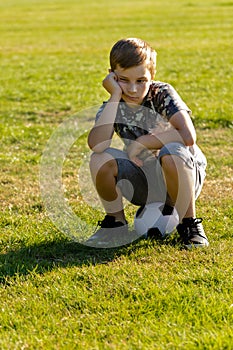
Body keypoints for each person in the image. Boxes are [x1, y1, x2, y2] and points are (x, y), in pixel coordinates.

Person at [87, 37, 209, 248]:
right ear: (112, 76)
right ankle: (115, 225)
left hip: (182, 176)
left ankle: (189, 225)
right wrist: (115, 95)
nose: (133, 89)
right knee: (100, 159)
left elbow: (188, 136)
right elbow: (97, 145)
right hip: (145, 179)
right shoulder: (114, 104)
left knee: (172, 151)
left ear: (152, 76)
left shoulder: (162, 94)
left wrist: (143, 142)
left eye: (141, 80)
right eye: (124, 80)